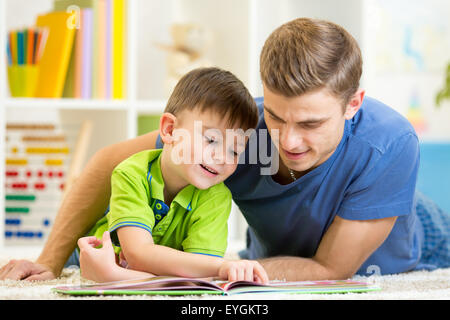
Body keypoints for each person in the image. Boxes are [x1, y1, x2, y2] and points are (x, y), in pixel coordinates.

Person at [1, 18, 449, 282]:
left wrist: (224, 274)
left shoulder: (387, 144)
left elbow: (330, 269)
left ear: (353, 105)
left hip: (421, 237)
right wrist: (48, 263)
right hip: (281, 249)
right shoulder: (241, 134)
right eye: (275, 116)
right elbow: (108, 163)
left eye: (311, 123)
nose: (287, 141)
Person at [69, 67, 269, 283]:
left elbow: (200, 273)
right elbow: (138, 254)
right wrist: (222, 267)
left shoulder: (216, 196)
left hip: (122, 269)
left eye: (234, 150)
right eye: (211, 140)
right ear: (170, 130)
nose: (222, 157)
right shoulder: (131, 173)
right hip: (88, 256)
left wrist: (119, 276)